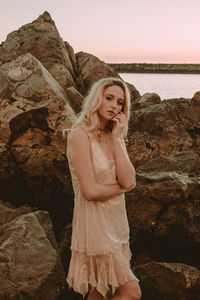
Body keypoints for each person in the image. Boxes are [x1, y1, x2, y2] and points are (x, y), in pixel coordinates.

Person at [66, 77, 141, 300]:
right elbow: (90, 191)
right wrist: (121, 189)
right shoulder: (79, 135)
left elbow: (129, 180)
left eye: (120, 102)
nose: (114, 106)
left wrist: (118, 139)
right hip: (94, 225)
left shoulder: (114, 134)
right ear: (96, 98)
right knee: (131, 291)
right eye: (109, 98)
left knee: (99, 292)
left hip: (117, 224)